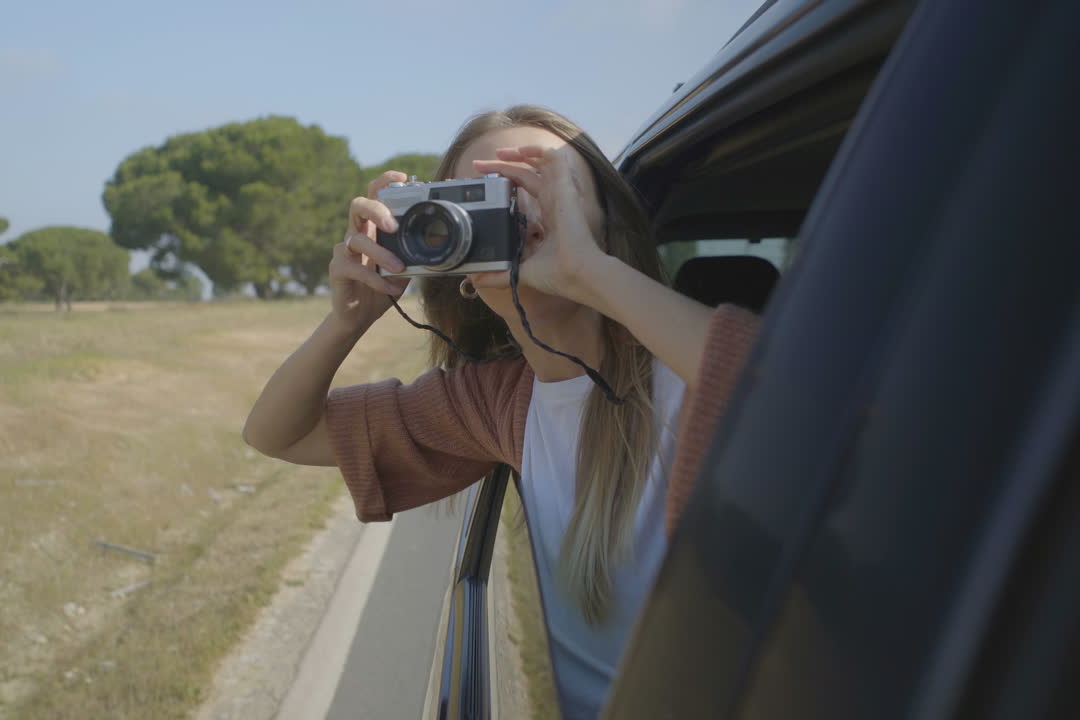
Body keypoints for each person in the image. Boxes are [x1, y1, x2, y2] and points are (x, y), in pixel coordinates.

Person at [244, 105, 759, 718]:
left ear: (608, 225)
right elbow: (279, 433)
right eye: (482, 198)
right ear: (454, 257)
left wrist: (590, 273)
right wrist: (346, 320)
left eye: (542, 183)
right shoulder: (498, 403)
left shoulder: (690, 375)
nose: (518, 213)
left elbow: (810, 401)